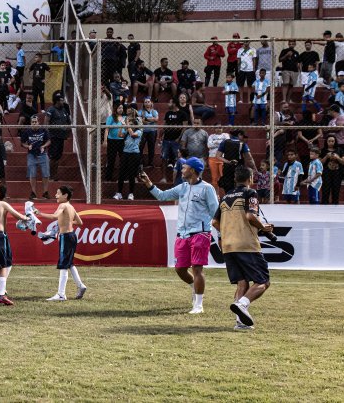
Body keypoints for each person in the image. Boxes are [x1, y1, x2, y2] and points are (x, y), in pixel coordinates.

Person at [140, 158, 219, 314]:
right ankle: (194, 288)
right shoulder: (182, 187)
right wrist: (148, 183)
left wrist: (220, 231)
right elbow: (162, 196)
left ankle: (198, 304)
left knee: (197, 268)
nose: (181, 170)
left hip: (200, 233)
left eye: (184, 168)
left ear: (194, 170)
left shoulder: (207, 189)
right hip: (182, 234)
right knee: (180, 269)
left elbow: (215, 212)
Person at [211, 166, 273, 330]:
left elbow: (215, 222)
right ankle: (242, 304)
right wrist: (264, 227)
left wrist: (226, 233)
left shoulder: (225, 198)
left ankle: (240, 322)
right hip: (246, 244)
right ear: (250, 178)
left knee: (242, 283)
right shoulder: (250, 193)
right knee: (263, 281)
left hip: (228, 245)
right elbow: (250, 216)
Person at [35, 185, 87, 301]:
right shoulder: (71, 207)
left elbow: (54, 216)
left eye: (58, 193)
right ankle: (80, 285)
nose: (55, 195)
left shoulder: (62, 205)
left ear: (65, 195)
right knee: (69, 263)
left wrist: (39, 213)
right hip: (72, 236)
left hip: (66, 237)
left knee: (64, 265)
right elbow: (80, 222)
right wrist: (68, 221)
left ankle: (61, 294)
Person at [21, 115, 51, 200]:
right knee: (32, 174)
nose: (34, 123)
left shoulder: (43, 130)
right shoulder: (27, 131)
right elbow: (22, 143)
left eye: (36, 122)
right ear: (31, 123)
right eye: (33, 122)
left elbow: (49, 141)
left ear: (38, 122)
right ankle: (33, 192)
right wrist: (27, 146)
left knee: (45, 173)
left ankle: (45, 192)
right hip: (31, 155)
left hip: (42, 154)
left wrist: (44, 146)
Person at [159, 101, 187, 183]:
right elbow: (164, 125)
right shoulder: (168, 113)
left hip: (176, 140)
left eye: (170, 102)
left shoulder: (183, 114)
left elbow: (184, 127)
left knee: (178, 159)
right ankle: (164, 178)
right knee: (164, 158)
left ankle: (179, 178)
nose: (168, 104)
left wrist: (179, 138)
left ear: (175, 103)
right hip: (166, 140)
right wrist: (160, 136)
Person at [116, 114, 142, 200]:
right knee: (121, 174)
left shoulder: (138, 132)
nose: (129, 126)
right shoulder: (127, 132)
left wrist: (127, 125)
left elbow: (133, 135)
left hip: (134, 154)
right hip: (125, 153)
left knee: (131, 174)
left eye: (131, 124)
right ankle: (119, 193)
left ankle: (131, 193)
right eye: (129, 124)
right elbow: (119, 135)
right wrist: (121, 126)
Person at [45, 94, 71, 181]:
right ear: (56, 101)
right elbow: (46, 123)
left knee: (57, 158)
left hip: (61, 137)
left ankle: (54, 176)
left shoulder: (64, 110)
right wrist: (47, 136)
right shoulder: (51, 110)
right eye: (61, 100)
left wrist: (67, 127)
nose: (63, 102)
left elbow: (68, 122)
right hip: (53, 137)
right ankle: (48, 176)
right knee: (52, 158)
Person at [320, 135, 344, 205]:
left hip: (337, 173)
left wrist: (337, 157)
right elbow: (319, 163)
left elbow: (343, 162)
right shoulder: (323, 150)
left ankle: (335, 204)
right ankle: (324, 204)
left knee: (336, 189)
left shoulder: (340, 150)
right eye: (329, 141)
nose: (331, 142)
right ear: (326, 142)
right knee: (325, 189)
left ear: (335, 141)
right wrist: (326, 156)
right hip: (326, 173)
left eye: (332, 141)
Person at [236, 38, 257, 104]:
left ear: (249, 42)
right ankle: (241, 99)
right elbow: (239, 60)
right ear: (243, 42)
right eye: (245, 42)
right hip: (242, 70)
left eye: (247, 42)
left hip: (250, 70)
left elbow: (254, 60)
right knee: (241, 85)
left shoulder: (252, 50)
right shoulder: (240, 50)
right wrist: (239, 69)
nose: (246, 43)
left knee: (250, 86)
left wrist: (253, 69)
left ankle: (249, 100)